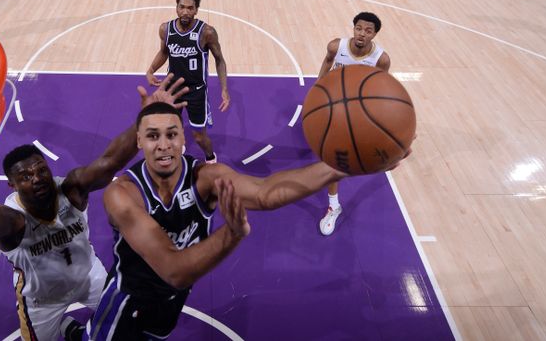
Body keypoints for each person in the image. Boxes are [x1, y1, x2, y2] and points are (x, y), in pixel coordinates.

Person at [86, 100, 408, 339]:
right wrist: (232, 235)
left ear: (184, 138)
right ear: (138, 142)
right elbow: (175, 271)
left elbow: (266, 193)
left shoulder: (206, 177)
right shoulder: (123, 193)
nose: (164, 145)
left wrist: (345, 167)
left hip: (172, 299)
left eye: (171, 134)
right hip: (129, 299)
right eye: (153, 136)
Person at [0, 76, 188, 341]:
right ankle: (65, 327)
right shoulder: (12, 220)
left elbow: (109, 162)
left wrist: (146, 117)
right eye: (26, 176)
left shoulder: (71, 189)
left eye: (40, 170)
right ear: (12, 185)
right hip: (42, 298)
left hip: (88, 277)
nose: (37, 178)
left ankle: (71, 330)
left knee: (128, 327)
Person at [316, 12, 390, 236]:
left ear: (375, 34)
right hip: (333, 104)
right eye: (359, 28)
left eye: (368, 31)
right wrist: (316, 94)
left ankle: (333, 206)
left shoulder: (380, 59)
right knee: (328, 155)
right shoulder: (335, 47)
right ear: (354, 28)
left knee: (334, 160)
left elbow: (378, 87)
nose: (362, 34)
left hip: (354, 112)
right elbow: (326, 66)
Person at [146, 0, 229, 164]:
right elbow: (164, 52)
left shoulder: (206, 32)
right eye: (182, 7)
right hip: (172, 90)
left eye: (190, 8)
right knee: (170, 128)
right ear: (176, 8)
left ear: (196, 10)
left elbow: (220, 60)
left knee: (199, 136)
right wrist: (151, 70)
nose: (185, 11)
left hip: (196, 91)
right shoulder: (165, 29)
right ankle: (178, 149)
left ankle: (211, 159)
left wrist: (224, 89)